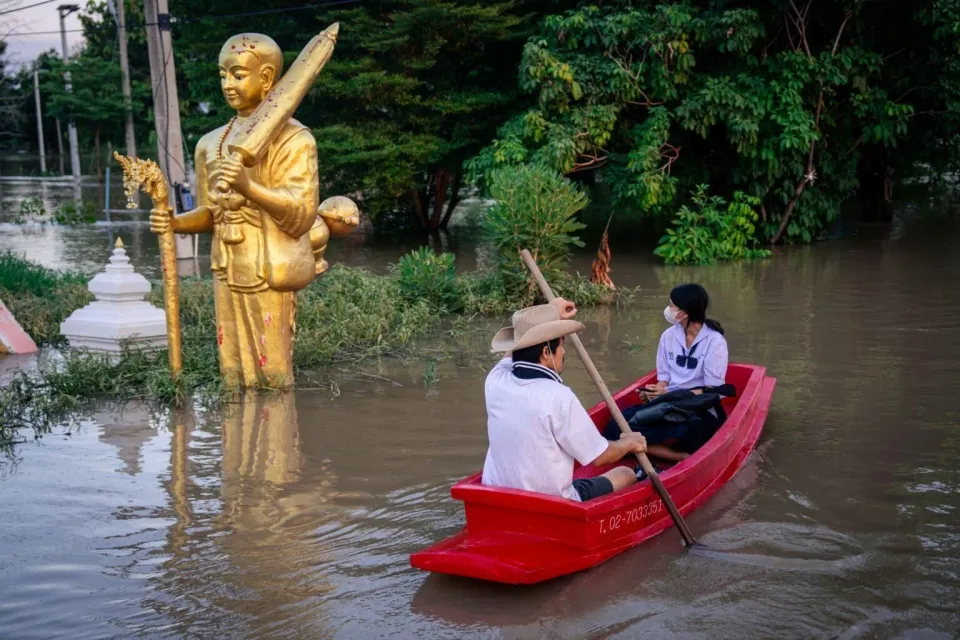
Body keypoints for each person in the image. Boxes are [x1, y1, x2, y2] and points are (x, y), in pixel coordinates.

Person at [149, 33, 319, 387]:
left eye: (238, 74)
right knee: (233, 373)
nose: (227, 84)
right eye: (222, 75)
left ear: (268, 78)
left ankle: (278, 440)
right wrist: (175, 223)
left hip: (267, 268)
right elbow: (210, 213)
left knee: (272, 374)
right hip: (225, 265)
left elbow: (301, 214)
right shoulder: (210, 143)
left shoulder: (295, 139)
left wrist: (249, 187)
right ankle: (237, 440)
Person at [481, 298, 649, 502]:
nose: (564, 352)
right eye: (561, 345)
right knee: (625, 473)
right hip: (551, 503)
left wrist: (551, 313)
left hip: (496, 496)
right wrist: (629, 443)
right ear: (545, 353)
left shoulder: (496, 380)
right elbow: (601, 457)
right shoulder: (559, 396)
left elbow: (513, 352)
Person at [638, 283, 729, 460]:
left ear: (685, 313)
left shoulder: (714, 341)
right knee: (617, 428)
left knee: (692, 432)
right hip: (669, 403)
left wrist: (668, 394)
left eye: (672, 305)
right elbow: (663, 378)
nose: (668, 309)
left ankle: (679, 454)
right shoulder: (668, 336)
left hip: (699, 407)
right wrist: (655, 393)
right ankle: (678, 456)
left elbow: (714, 392)